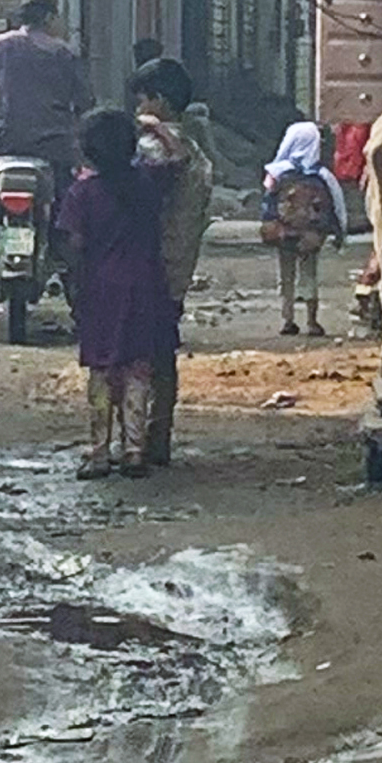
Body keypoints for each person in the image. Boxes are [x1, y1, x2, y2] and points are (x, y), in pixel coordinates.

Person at [61, 106, 176, 478]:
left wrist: (74, 289)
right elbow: (181, 160)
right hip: (147, 286)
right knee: (138, 368)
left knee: (101, 370)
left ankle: (98, 453)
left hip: (100, 290)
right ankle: (134, 452)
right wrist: (157, 129)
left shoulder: (82, 193)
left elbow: (74, 245)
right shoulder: (147, 183)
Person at [129, 58, 215, 467]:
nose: (137, 109)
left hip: (148, 267)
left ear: (158, 100)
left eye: (142, 100)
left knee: (134, 358)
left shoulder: (153, 149)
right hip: (178, 269)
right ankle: (158, 434)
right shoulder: (197, 150)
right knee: (164, 354)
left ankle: (135, 443)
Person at [0, 0, 91, 234]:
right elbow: (85, 101)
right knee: (67, 190)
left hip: (7, 143)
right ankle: (62, 245)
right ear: (49, 18)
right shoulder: (65, 53)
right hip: (55, 146)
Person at [260, 120, 344, 338]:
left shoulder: (276, 174)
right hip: (311, 236)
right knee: (309, 275)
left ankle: (287, 319)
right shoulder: (322, 176)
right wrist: (338, 233)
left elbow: (267, 204)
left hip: (283, 234)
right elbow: (337, 205)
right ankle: (312, 321)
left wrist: (270, 226)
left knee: (286, 276)